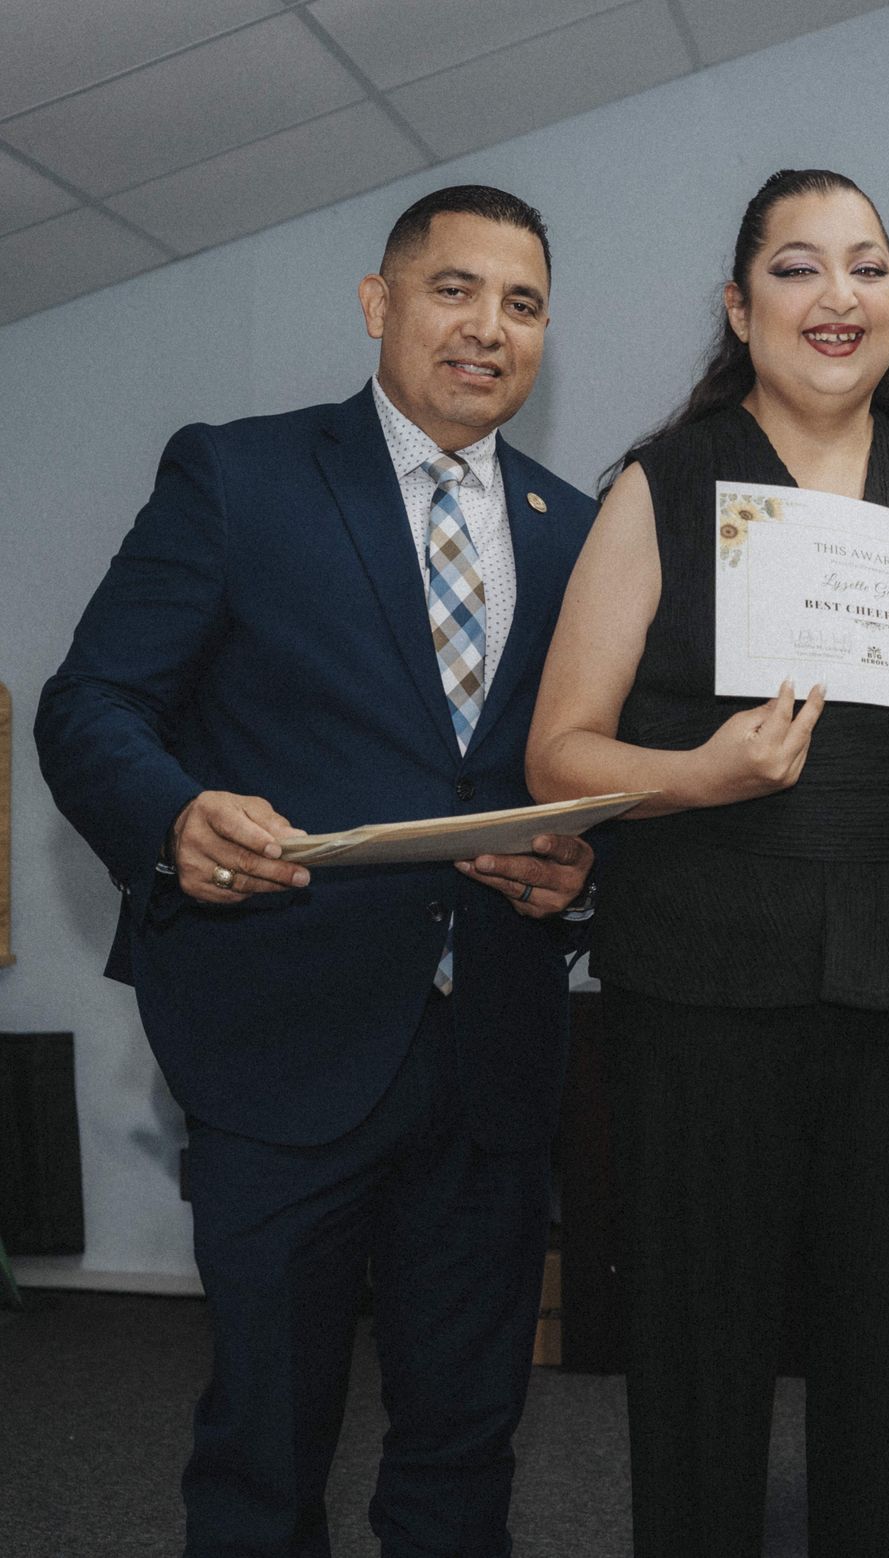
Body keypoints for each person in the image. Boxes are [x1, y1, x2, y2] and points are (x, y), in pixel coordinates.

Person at [34, 185, 598, 1556]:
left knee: (466, 1445)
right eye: (454, 289)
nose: (487, 328)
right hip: (281, 1042)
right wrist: (173, 817)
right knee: (264, 1448)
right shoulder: (239, 475)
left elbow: (585, 773)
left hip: (497, 1060)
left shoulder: (577, 529)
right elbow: (91, 703)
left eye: (521, 303)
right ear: (378, 303)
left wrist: (585, 874)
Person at [524, 168, 889, 1558]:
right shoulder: (663, 482)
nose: (839, 296)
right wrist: (698, 773)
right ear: (742, 307)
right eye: (800, 269)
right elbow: (558, 752)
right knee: (701, 1356)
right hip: (701, 977)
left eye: (867, 267)